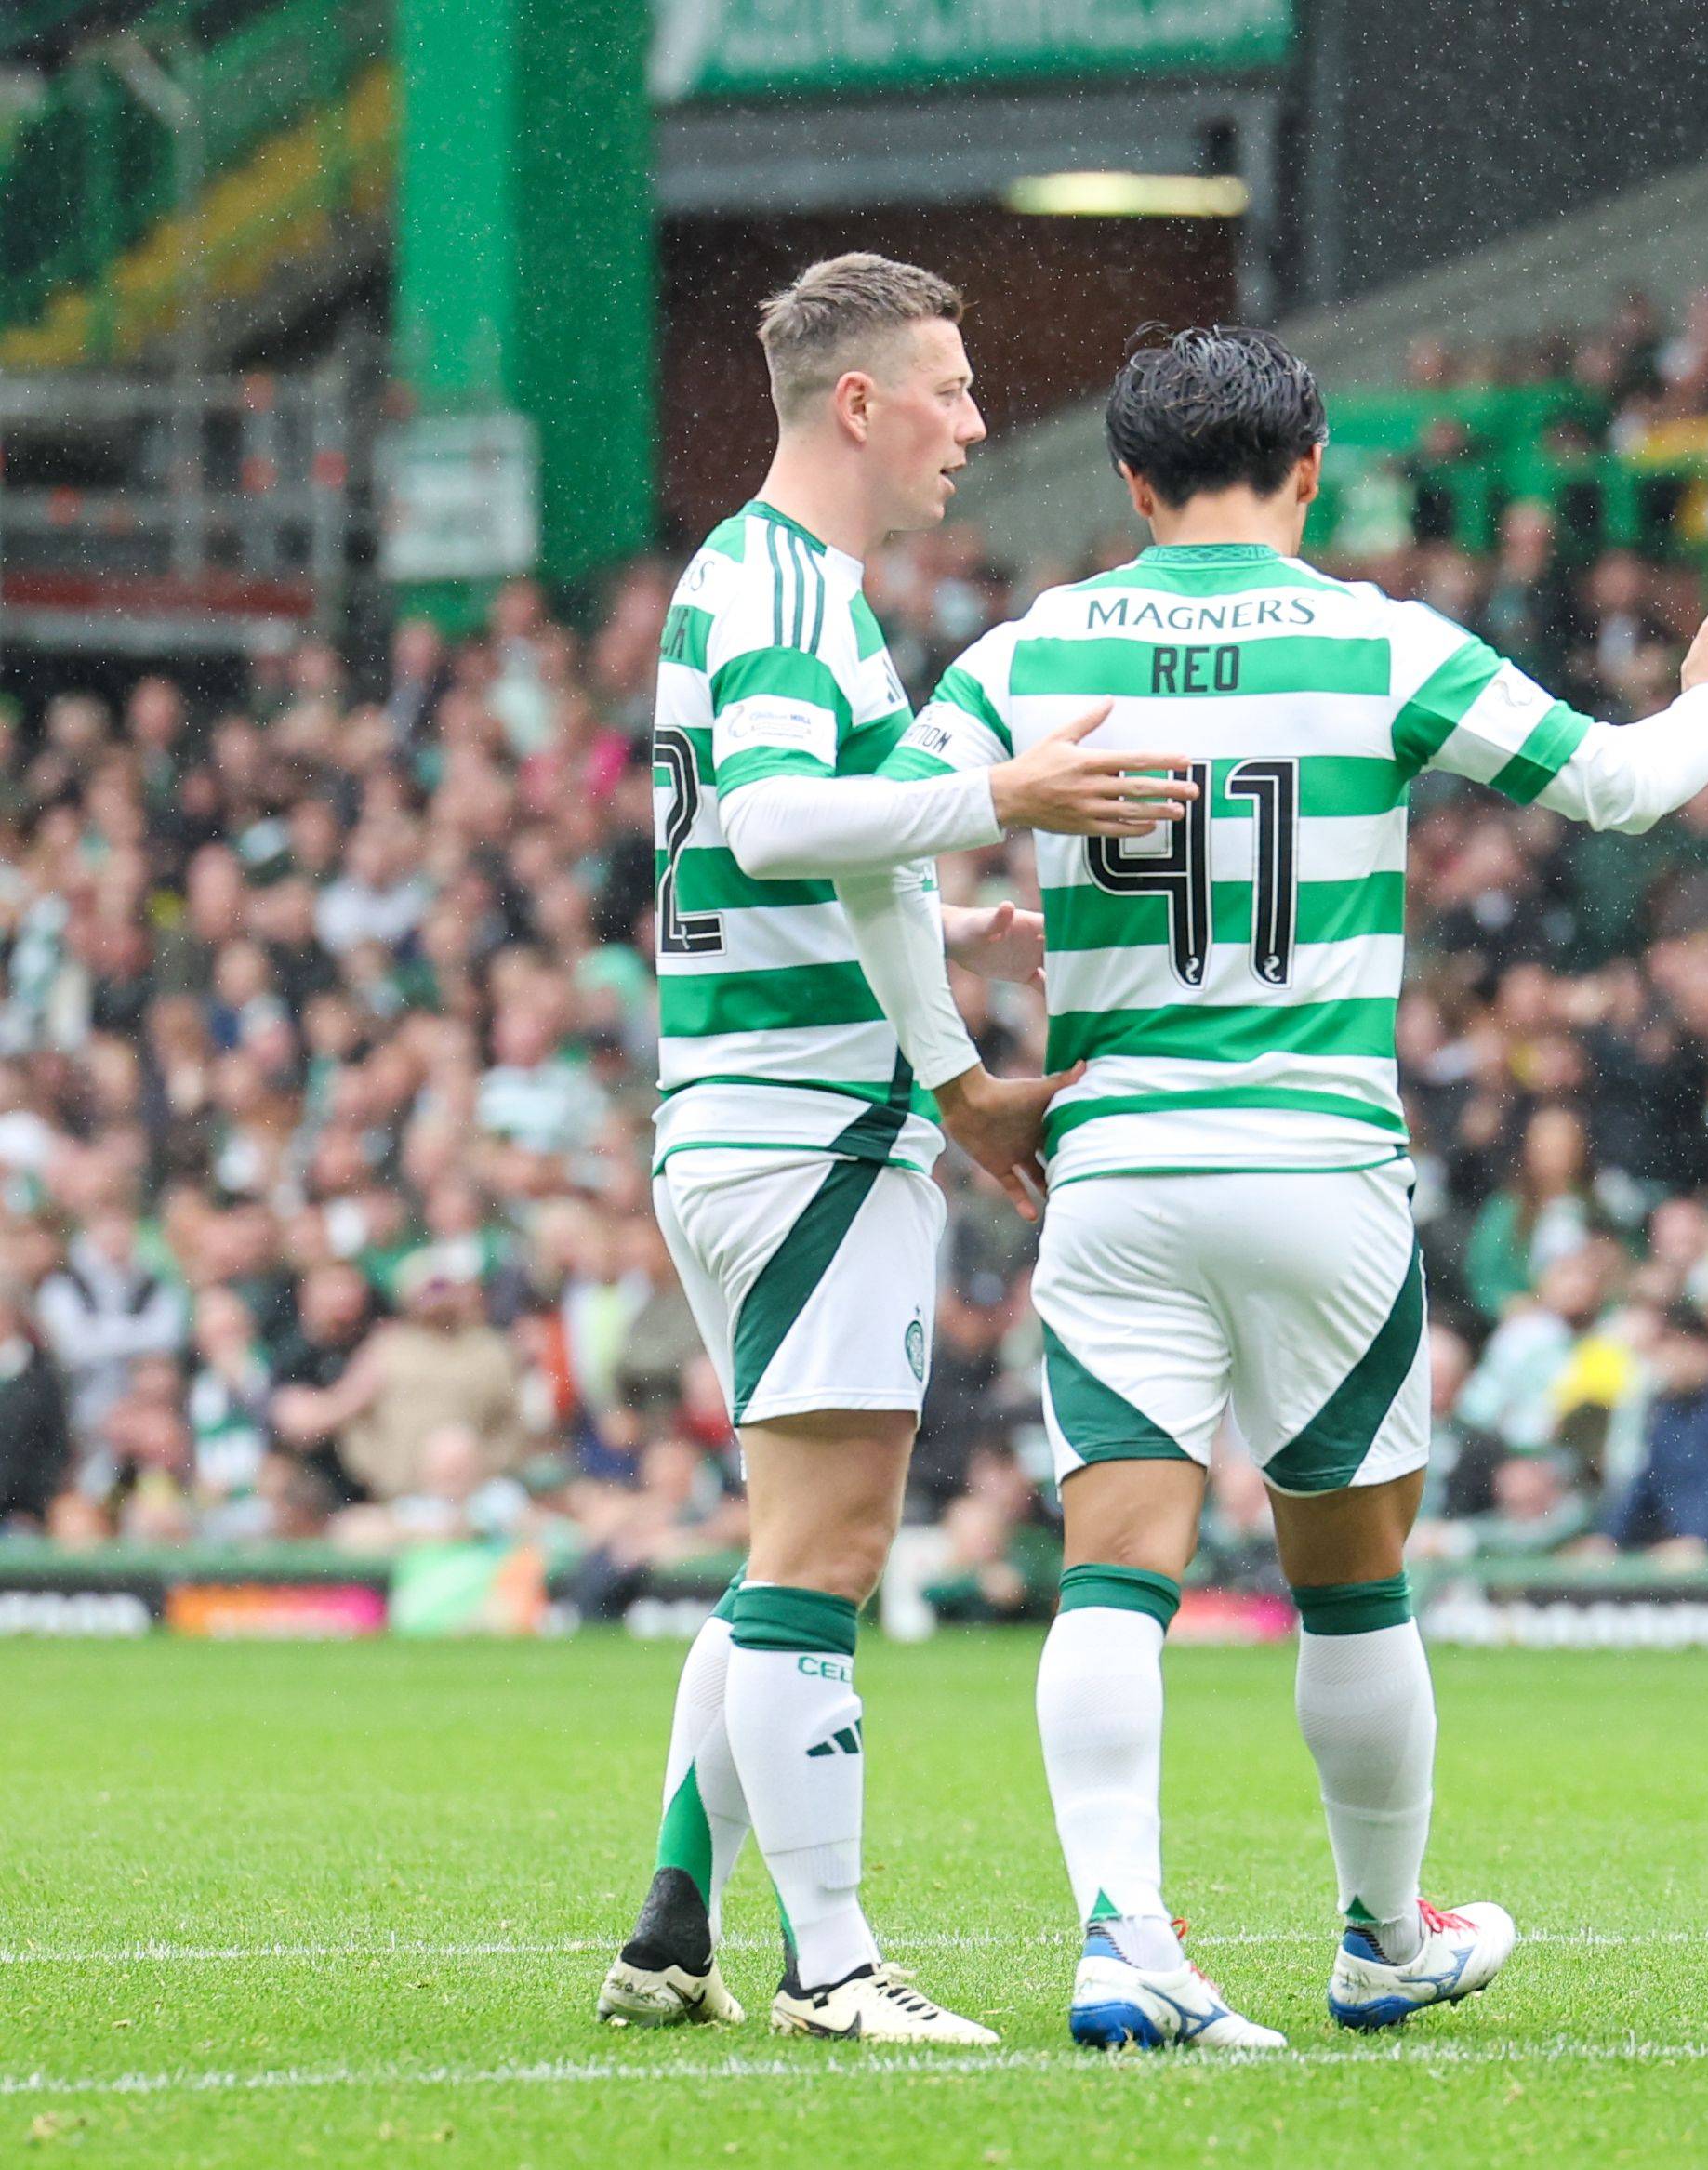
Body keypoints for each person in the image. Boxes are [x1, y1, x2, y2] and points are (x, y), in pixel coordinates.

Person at [886, 324, 1708, 2049]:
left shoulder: (1036, 647)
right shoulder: (1379, 640)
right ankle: (1382, 1932)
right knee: (1355, 1578)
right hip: (1319, 1160)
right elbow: (1618, 786)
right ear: (1310, 471)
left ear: (1132, 484)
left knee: (1115, 1573)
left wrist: (960, 1063)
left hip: (1118, 1155)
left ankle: (1121, 1932)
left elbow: (874, 847)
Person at [598, 253, 1197, 2046]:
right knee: (827, 1551)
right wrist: (1003, 795)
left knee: (789, 1538)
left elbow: (820, 863)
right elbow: (786, 820)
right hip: (803, 1131)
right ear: (858, 403)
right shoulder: (790, 586)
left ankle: (676, 1917)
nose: (977, 422)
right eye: (950, 386)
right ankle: (836, 1965)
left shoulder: (770, 582)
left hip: (750, 1109)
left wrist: (951, 971)